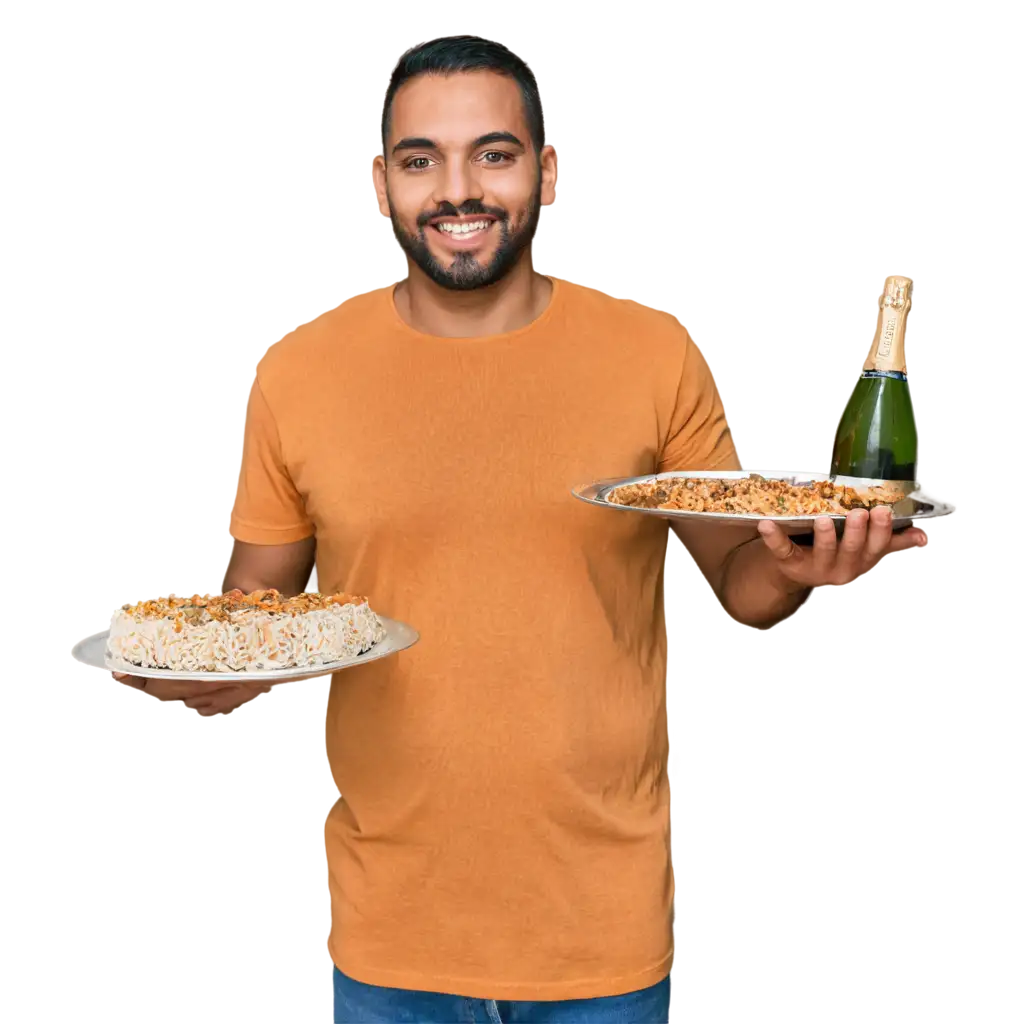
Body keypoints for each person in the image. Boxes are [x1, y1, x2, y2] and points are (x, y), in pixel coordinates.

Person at [113, 34, 926, 1024]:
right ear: (381, 186)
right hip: (388, 944)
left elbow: (742, 582)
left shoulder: (652, 355)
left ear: (545, 171)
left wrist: (804, 568)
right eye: (421, 160)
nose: (459, 189)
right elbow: (259, 598)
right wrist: (207, 659)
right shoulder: (295, 371)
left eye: (492, 154)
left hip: (601, 937)